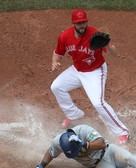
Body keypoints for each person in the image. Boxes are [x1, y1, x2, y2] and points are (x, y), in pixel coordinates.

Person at [50, 9, 129, 146]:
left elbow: (113, 54)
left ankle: (122, 132)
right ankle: (74, 114)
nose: (82, 25)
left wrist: (107, 46)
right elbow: (57, 52)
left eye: (83, 22)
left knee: (98, 103)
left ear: (87, 21)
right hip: (77, 70)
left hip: (95, 71)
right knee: (56, 87)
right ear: (73, 23)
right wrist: (54, 62)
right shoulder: (65, 36)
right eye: (78, 23)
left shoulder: (95, 35)